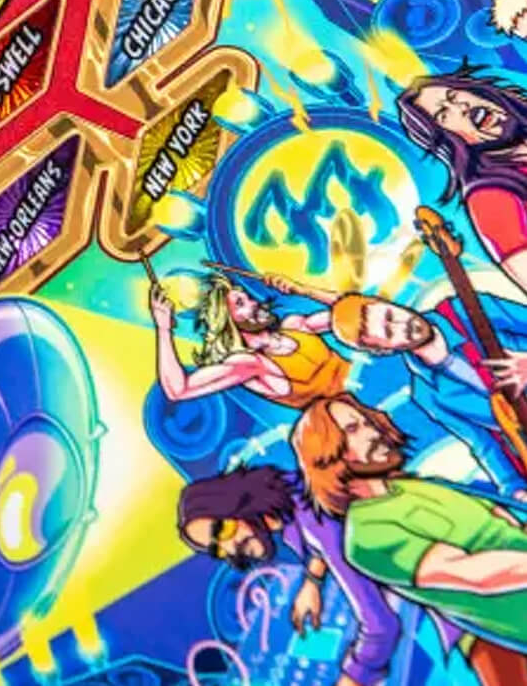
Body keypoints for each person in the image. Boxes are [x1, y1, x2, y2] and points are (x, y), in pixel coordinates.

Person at [294, 394, 527, 684]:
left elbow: (499, 516)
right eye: (353, 429)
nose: (373, 433)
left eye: (367, 423)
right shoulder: (368, 534)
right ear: (327, 454)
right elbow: (472, 575)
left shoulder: (413, 487)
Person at [177, 463, 406, 686]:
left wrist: (352, 679)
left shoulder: (312, 519)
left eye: (221, 529)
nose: (230, 548)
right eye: (216, 549)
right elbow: (323, 543)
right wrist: (312, 581)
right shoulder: (283, 503)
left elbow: (382, 628)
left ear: (234, 501)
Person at [318, 290, 527, 494]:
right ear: (384, 350)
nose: (403, 325)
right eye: (390, 333)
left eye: (391, 315)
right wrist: (514, 488)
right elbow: (483, 443)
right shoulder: (427, 394)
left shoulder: (467, 309)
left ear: (389, 303)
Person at [397, 68, 527, 300]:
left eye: (454, 96)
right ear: (451, 139)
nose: (461, 107)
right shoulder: (491, 197)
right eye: (444, 115)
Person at [150, 270, 350, 407]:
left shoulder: (296, 326)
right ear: (227, 321)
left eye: (248, 297)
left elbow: (354, 308)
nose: (254, 303)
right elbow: (179, 390)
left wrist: (302, 289)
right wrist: (163, 329)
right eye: (240, 303)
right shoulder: (251, 365)